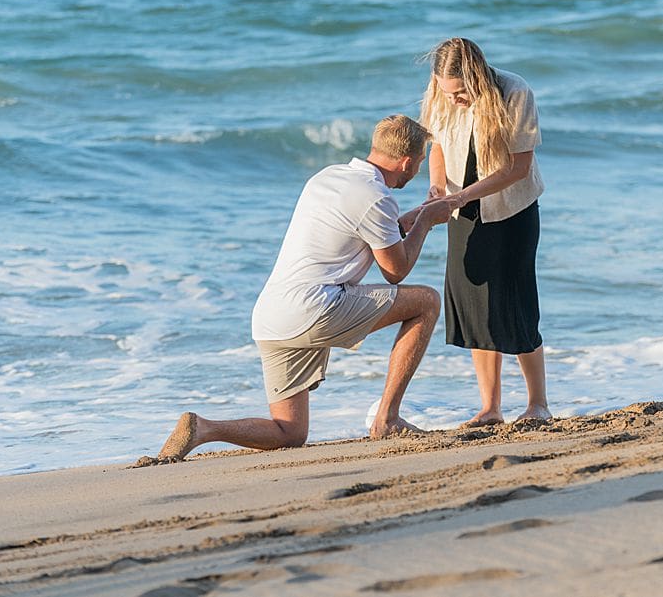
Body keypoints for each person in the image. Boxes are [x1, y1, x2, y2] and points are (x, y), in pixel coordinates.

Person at [156, 114, 451, 460]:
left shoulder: (328, 177)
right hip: (315, 307)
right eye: (418, 163)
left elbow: (360, 232)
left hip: (272, 316)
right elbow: (395, 271)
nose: (416, 170)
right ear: (405, 162)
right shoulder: (376, 197)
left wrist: (411, 219)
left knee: (290, 432)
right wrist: (428, 222)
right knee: (426, 301)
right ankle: (387, 418)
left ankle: (204, 428)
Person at [420, 38, 551, 426]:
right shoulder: (439, 94)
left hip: (512, 210)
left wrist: (460, 197)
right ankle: (490, 408)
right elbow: (437, 147)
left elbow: (518, 168)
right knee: (477, 309)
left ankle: (538, 404)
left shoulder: (515, 92)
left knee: (516, 304)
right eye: (448, 92)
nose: (455, 99)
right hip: (462, 210)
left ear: (476, 76)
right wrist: (438, 188)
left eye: (461, 92)